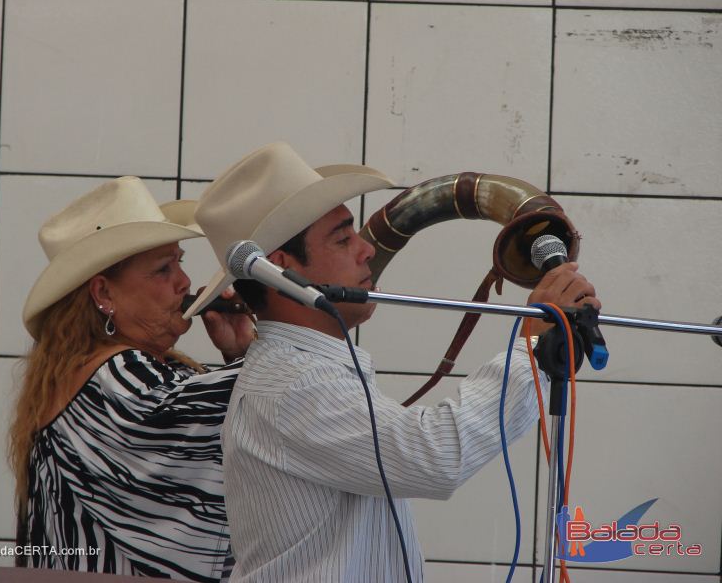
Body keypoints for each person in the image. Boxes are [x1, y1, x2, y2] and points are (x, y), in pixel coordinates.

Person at [184, 142, 601, 582]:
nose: (366, 250)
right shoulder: (292, 383)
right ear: (282, 271)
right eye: (343, 239)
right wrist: (532, 347)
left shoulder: (304, 370)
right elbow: (435, 456)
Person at [9, 176, 255, 581]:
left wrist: (240, 349)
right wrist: (283, 332)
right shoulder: (112, 378)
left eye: (180, 262)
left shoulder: (124, 370)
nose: (184, 283)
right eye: (162, 269)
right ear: (104, 293)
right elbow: (232, 410)